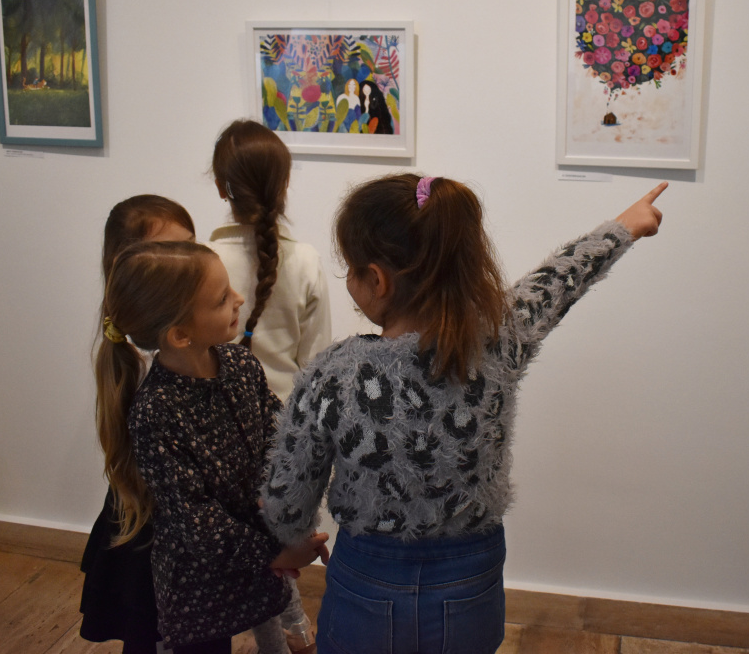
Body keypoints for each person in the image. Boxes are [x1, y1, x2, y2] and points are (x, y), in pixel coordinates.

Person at [261, 173, 667, 654]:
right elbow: (557, 282)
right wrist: (623, 227)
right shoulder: (499, 341)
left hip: (368, 583)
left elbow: (288, 497)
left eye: (349, 268)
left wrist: (292, 541)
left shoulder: (332, 376)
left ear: (377, 280)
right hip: (470, 583)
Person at [96, 241, 330, 654]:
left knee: (272, 632)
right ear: (180, 334)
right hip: (201, 585)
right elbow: (197, 521)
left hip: (257, 550)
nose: (239, 299)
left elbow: (278, 440)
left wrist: (290, 513)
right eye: (222, 299)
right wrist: (276, 553)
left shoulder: (241, 365)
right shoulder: (156, 412)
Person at [208, 118, 331, 652]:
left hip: (212, 437)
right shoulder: (305, 261)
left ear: (221, 188)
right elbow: (317, 369)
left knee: (232, 553)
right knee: (275, 556)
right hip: (283, 441)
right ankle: (296, 638)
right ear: (284, 185)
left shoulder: (200, 261)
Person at [80, 194, 196, 654]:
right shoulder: (147, 362)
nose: (189, 265)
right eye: (170, 253)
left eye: (191, 249)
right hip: (152, 533)